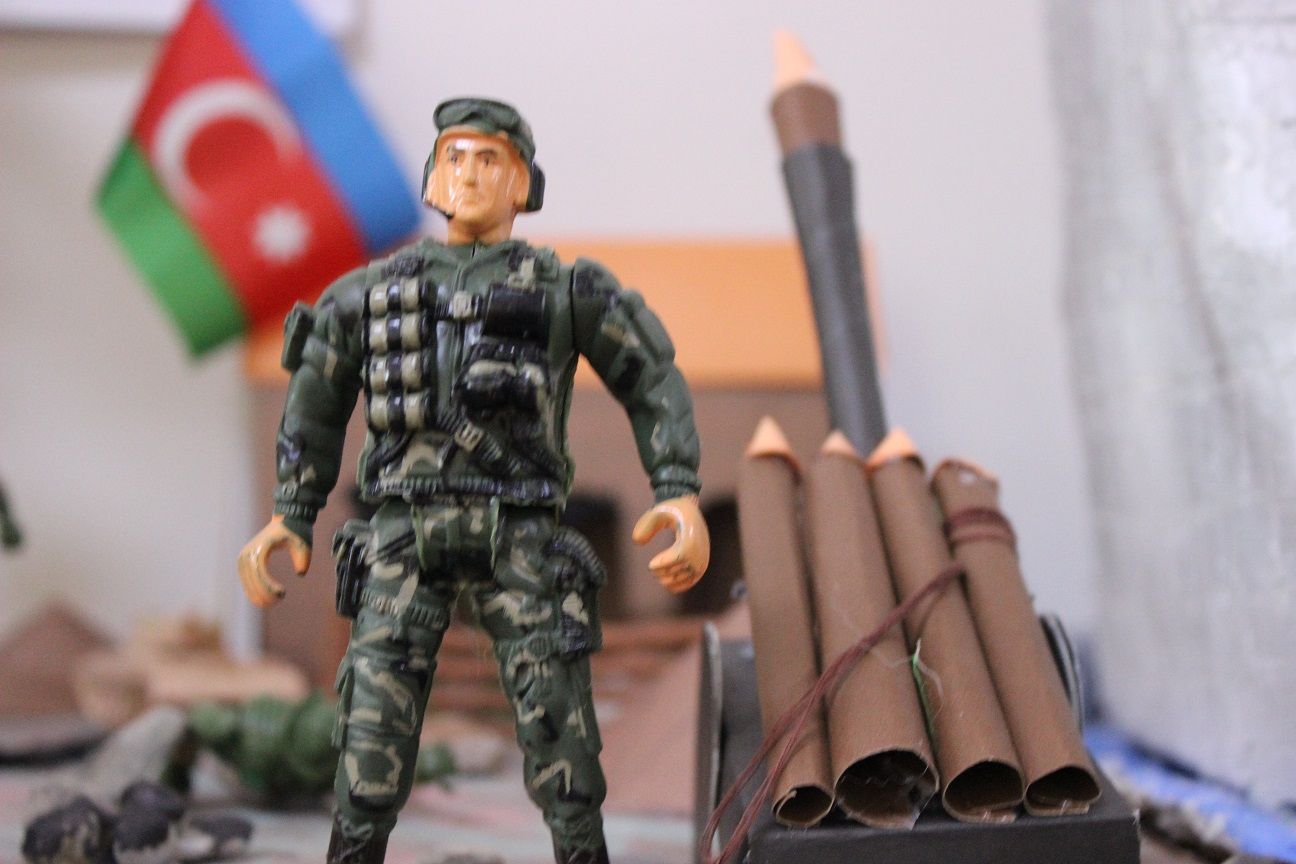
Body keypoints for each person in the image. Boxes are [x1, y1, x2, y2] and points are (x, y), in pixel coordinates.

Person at [237, 97, 709, 864]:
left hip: (519, 532)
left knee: (560, 729)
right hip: (402, 533)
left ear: (522, 184)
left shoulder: (566, 290)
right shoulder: (367, 294)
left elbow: (650, 376)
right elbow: (315, 399)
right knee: (371, 733)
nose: (469, 174)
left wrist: (677, 487)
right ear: (432, 177)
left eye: (490, 159)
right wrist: (290, 511)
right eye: (454, 157)